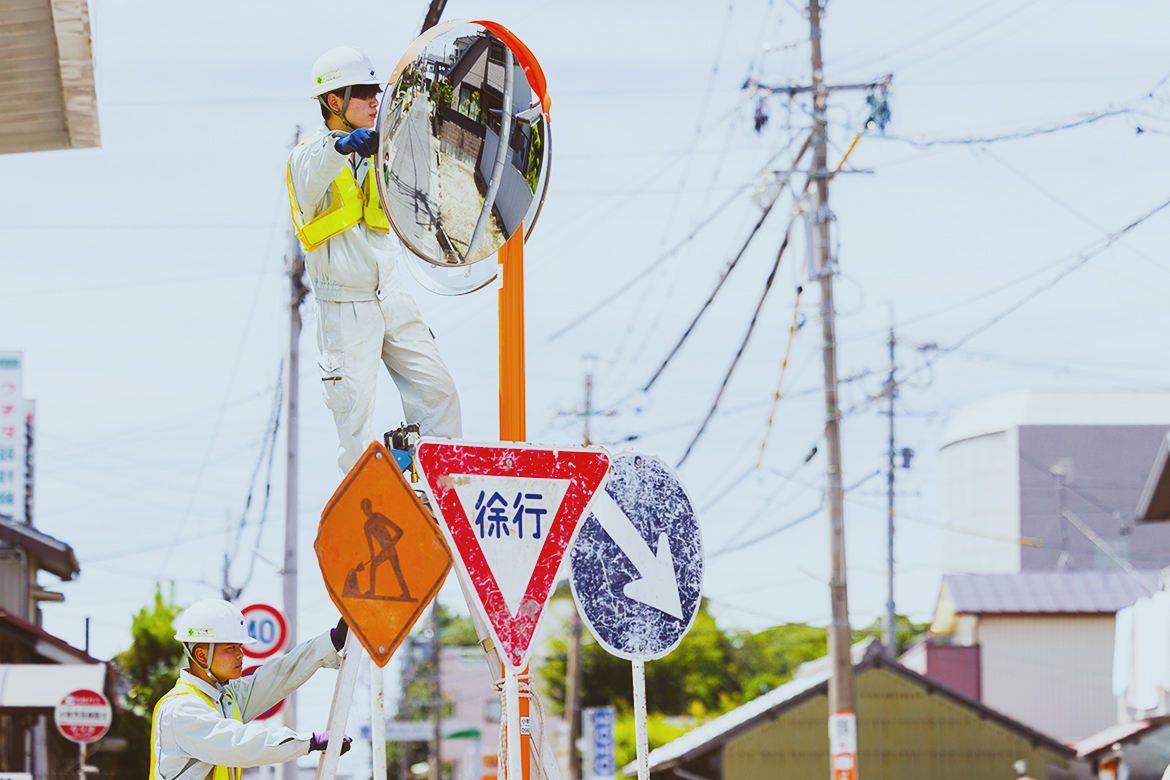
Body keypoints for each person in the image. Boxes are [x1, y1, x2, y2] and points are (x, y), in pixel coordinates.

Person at [287, 45, 461, 475]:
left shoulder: (380, 154)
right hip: (346, 307)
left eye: (375, 93)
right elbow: (320, 161)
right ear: (334, 102)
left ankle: (432, 491)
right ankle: (368, 508)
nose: (373, 101)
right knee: (355, 424)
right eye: (363, 94)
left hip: (391, 295)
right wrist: (346, 145)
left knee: (438, 392)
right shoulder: (307, 158)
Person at [150, 599, 353, 779]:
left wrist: (333, 641)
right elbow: (238, 744)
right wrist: (309, 741)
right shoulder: (181, 709)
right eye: (231, 648)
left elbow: (278, 675)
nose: (240, 655)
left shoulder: (225, 698)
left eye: (240, 647)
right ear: (202, 656)